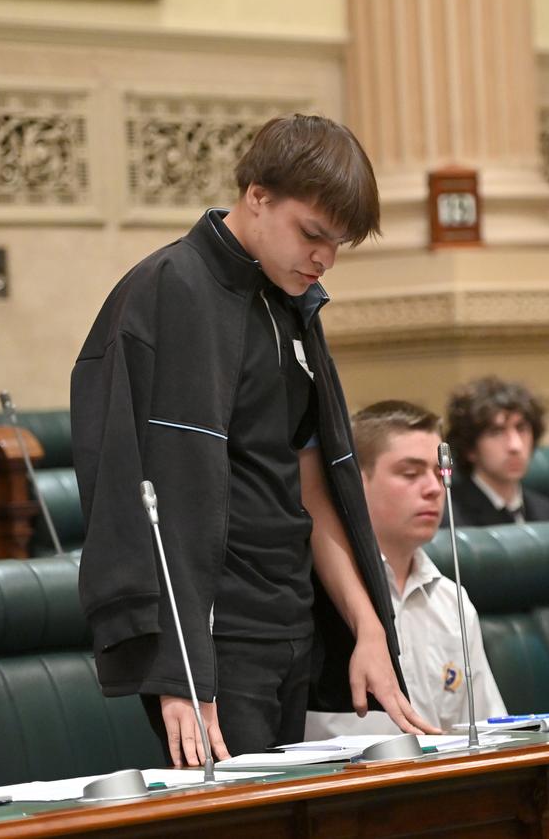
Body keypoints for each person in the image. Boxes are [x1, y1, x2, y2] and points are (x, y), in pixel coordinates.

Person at [70, 114, 436, 768]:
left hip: (290, 623)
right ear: (257, 196)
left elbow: (311, 486)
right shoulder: (165, 289)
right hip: (215, 642)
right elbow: (129, 493)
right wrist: (176, 666)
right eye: (313, 234)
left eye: (338, 243)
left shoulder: (291, 303)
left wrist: (368, 625)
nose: (324, 258)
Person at [305, 400, 506, 739]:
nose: (433, 488)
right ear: (355, 483)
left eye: (438, 472)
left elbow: (490, 732)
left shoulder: (451, 600)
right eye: (410, 473)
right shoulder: (315, 599)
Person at [444, 376, 549, 527]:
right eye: (496, 432)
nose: (515, 446)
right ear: (469, 449)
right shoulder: (451, 516)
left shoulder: (546, 510)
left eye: (521, 429)